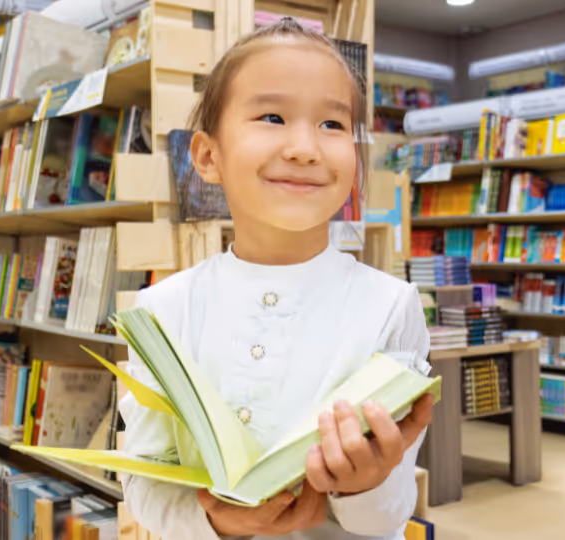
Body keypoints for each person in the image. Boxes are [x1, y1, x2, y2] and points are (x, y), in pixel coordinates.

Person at [119, 17, 434, 540]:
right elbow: (145, 484)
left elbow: (391, 513)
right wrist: (215, 519)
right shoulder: (161, 309)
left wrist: (366, 484)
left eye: (333, 125)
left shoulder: (392, 305)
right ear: (207, 155)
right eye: (272, 116)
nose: (305, 147)